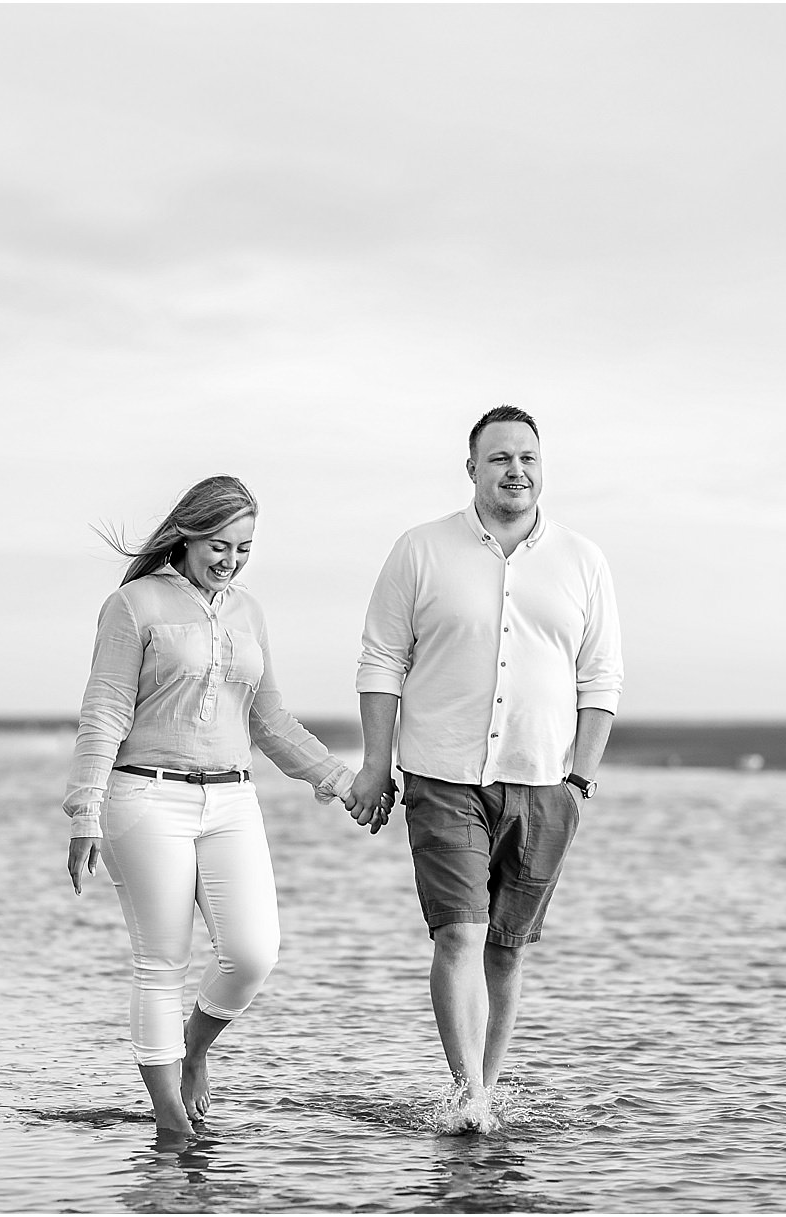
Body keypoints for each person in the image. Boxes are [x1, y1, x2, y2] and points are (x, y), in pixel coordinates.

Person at [348, 406, 622, 1132]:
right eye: (500, 457)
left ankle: (484, 1093)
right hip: (442, 774)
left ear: (543, 466)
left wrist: (580, 781)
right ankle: (468, 1093)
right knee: (459, 934)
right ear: (472, 468)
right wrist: (378, 763)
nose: (516, 469)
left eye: (528, 457)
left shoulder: (582, 560)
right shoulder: (421, 549)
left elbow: (601, 679)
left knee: (506, 948)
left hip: (543, 783)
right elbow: (381, 659)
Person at [64, 474, 360, 1144]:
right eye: (220, 544)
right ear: (187, 532)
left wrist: (343, 781)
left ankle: (194, 1050)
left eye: (245, 548)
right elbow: (104, 709)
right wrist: (85, 808)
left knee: (253, 952)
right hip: (144, 796)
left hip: (232, 798)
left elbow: (271, 718)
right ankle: (169, 1119)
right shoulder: (133, 605)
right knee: (161, 961)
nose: (230, 559)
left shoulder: (249, 612)